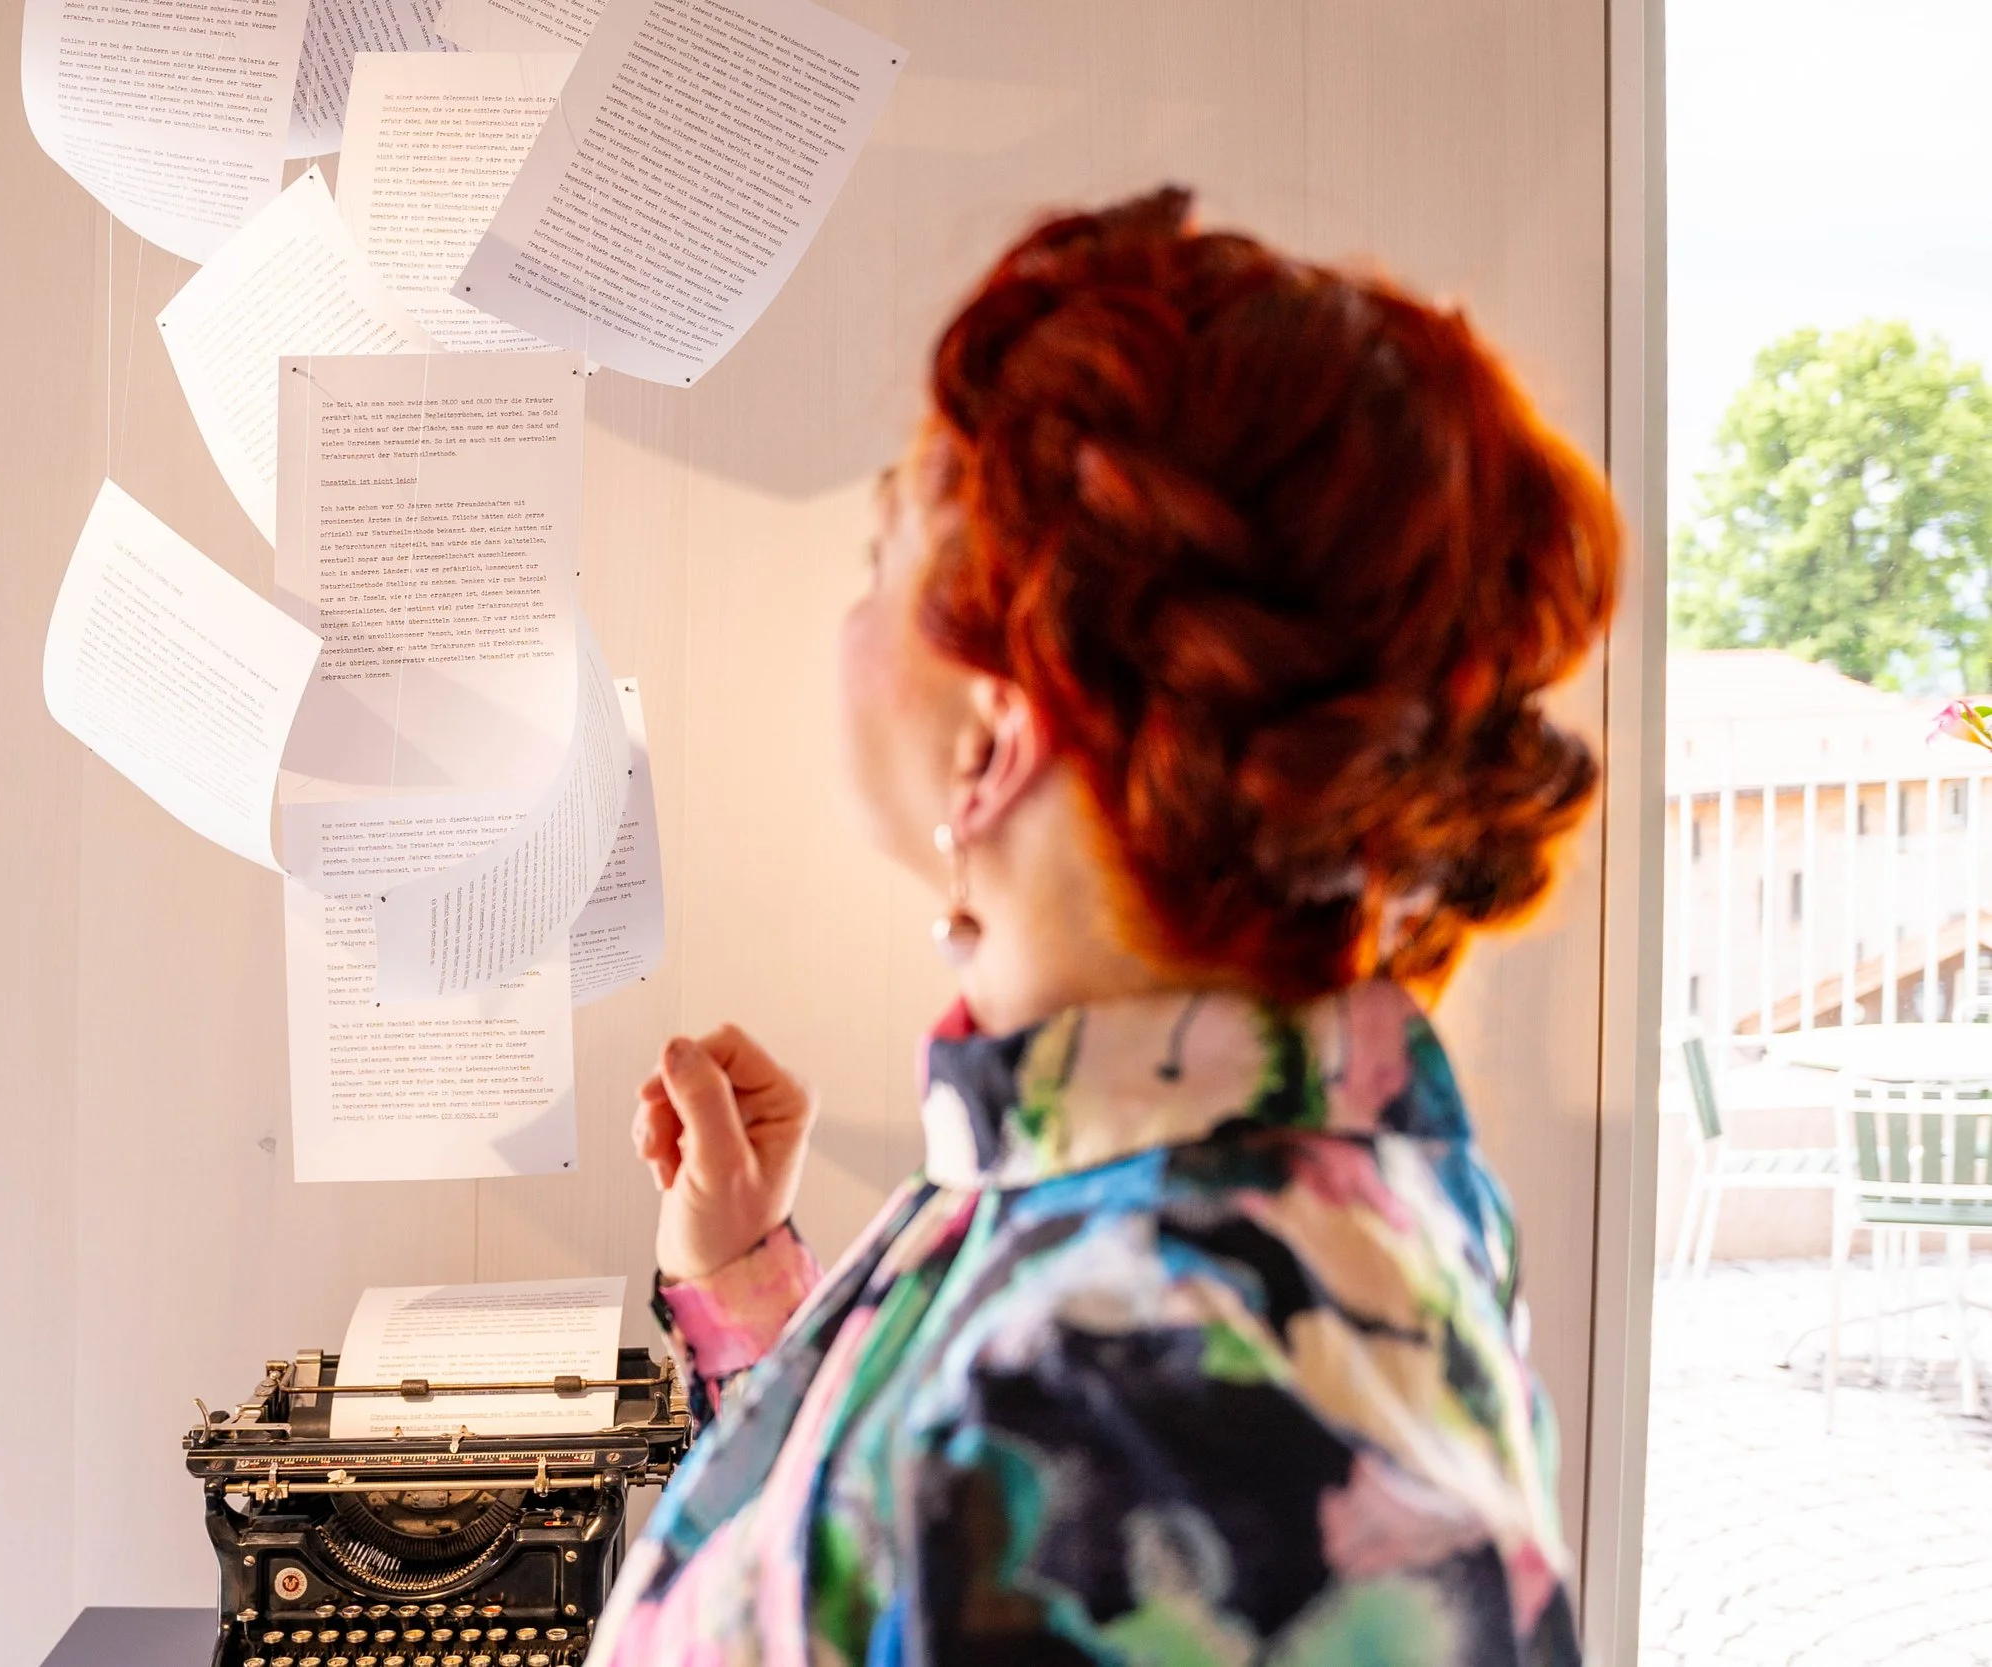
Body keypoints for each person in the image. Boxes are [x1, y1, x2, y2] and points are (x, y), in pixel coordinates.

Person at [594, 186, 1617, 1667]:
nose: (849, 612)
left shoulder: (1166, 1413)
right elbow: (922, 1568)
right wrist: (751, 1277)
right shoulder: (1140, 1210)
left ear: (993, 734)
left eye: (881, 553)